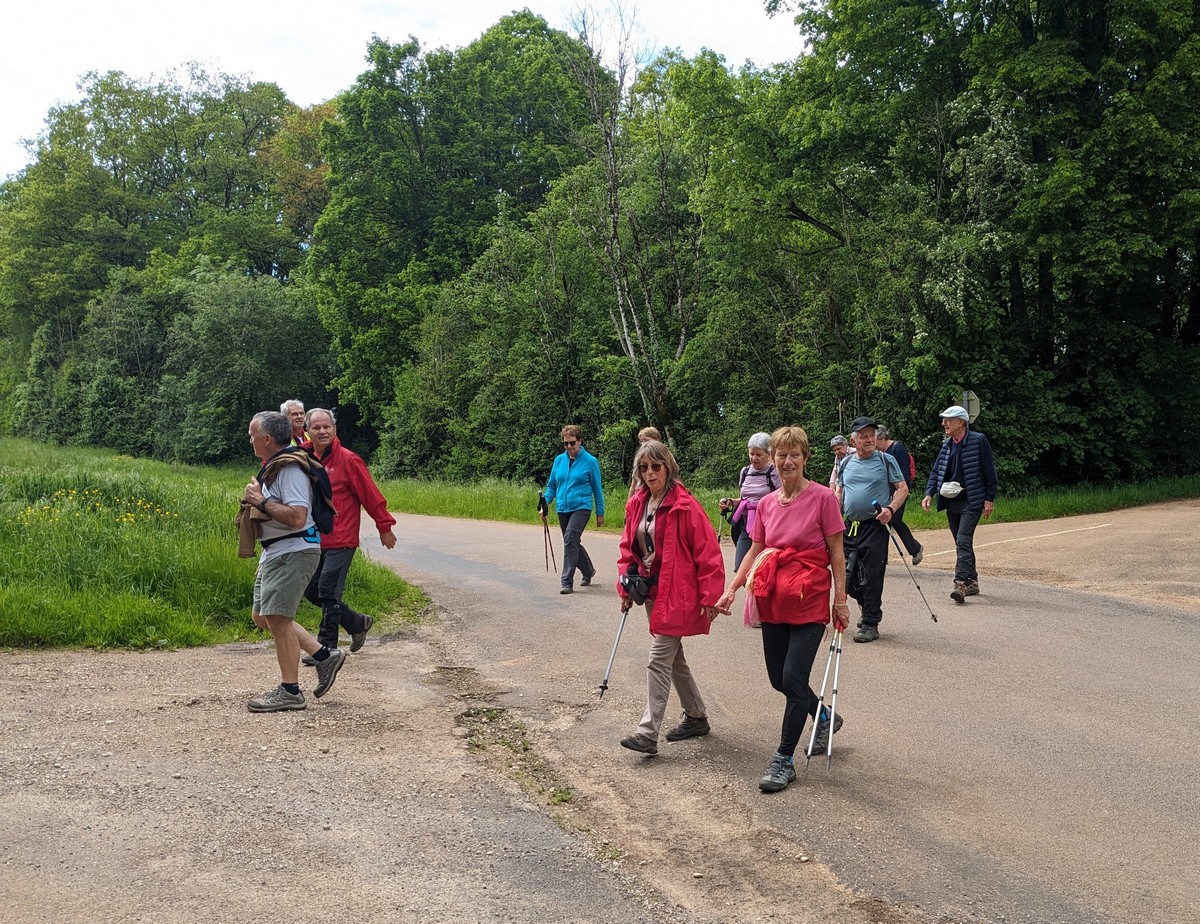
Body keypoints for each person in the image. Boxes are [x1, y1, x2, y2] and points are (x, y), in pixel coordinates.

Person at [716, 426, 849, 793]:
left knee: (792, 677)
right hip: (773, 596)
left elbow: (837, 553)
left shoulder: (823, 498)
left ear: (805, 458)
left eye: (794, 455)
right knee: (779, 678)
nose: (788, 461)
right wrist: (731, 589)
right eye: (781, 455)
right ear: (773, 459)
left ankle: (783, 760)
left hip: (810, 597)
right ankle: (824, 715)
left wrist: (840, 600)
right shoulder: (767, 503)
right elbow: (756, 550)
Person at [616, 440, 725, 756]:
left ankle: (647, 733)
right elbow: (628, 548)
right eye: (644, 468)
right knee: (673, 658)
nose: (650, 473)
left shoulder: (686, 506)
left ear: (668, 467)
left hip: (679, 593)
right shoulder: (638, 503)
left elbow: (708, 552)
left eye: (656, 466)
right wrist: (625, 587)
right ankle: (696, 716)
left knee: (658, 659)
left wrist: (710, 596)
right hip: (651, 593)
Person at [240, 411, 347, 712]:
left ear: (267, 438)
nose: (250, 440)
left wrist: (260, 501)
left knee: (278, 619)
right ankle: (324, 656)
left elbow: (298, 517)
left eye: (252, 435)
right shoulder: (276, 466)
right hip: (277, 552)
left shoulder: (289, 468)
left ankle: (290, 691)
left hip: (294, 551)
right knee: (262, 616)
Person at [299, 408, 396, 660]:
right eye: (317, 427)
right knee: (311, 590)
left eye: (327, 427)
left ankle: (327, 649)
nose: (322, 431)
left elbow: (370, 495)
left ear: (335, 429)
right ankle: (356, 622)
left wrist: (384, 526)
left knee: (328, 591)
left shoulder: (349, 460)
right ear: (307, 431)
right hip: (314, 538)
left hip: (342, 538)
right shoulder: (303, 459)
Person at [834, 416, 908, 643]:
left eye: (872, 435)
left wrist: (890, 509)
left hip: (875, 526)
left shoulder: (886, 460)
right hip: (850, 526)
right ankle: (868, 608)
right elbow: (839, 491)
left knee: (872, 575)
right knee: (849, 575)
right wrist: (833, 516)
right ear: (853, 441)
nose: (869, 440)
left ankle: (870, 623)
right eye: (863, 436)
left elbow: (902, 488)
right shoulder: (846, 463)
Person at [921, 406, 999, 604]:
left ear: (961, 422)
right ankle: (972, 581)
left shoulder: (978, 441)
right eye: (944, 420)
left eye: (948, 420)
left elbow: (990, 472)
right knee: (961, 542)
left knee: (963, 541)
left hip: (971, 501)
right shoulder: (947, 445)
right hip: (951, 502)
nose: (944, 423)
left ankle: (960, 584)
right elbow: (936, 472)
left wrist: (989, 499)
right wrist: (929, 493)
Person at [541, 425, 605, 594]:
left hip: (582, 507)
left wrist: (600, 512)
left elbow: (597, 489)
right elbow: (552, 485)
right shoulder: (559, 460)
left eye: (572, 443)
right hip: (563, 507)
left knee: (570, 538)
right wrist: (545, 503)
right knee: (572, 541)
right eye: (565, 443)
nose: (569, 446)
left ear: (579, 441)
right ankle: (588, 570)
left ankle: (567, 581)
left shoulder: (590, 462)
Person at [719, 433, 780, 570]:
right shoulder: (745, 472)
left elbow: (782, 496)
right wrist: (730, 502)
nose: (754, 458)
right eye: (751, 454)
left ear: (768, 454)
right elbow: (744, 499)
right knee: (740, 566)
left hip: (768, 525)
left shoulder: (774, 472)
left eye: (758, 454)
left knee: (764, 568)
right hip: (746, 524)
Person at [875, 424, 923, 565]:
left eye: (875, 440)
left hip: (900, 491)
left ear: (882, 438)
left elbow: (904, 475)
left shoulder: (897, 448)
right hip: (885, 491)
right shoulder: (878, 453)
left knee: (894, 520)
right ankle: (882, 558)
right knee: (883, 522)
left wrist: (899, 492)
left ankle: (915, 549)